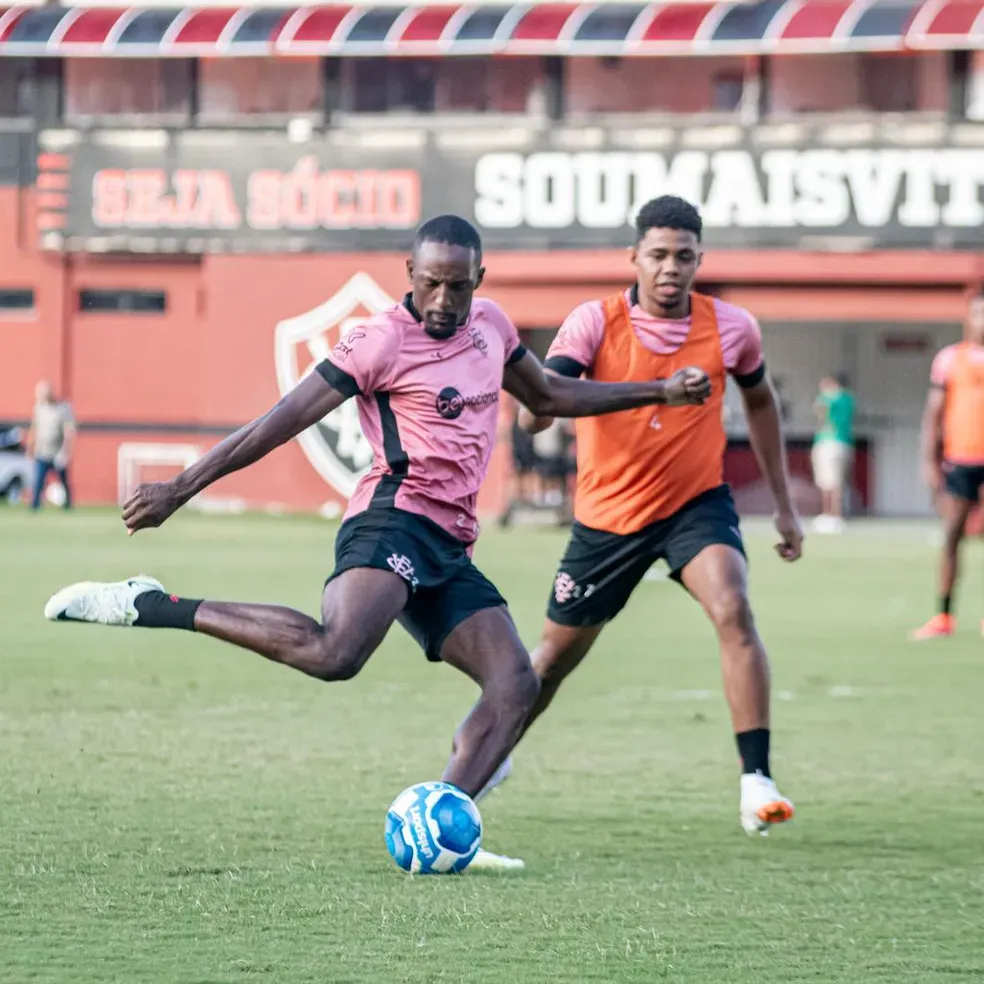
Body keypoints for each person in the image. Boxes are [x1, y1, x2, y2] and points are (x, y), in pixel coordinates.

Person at [43, 214, 712, 869]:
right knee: (336, 653)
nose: (445, 301)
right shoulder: (378, 341)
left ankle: (442, 824)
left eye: (459, 286)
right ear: (410, 276)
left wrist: (658, 391)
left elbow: (551, 394)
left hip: (450, 543)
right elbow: (279, 421)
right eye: (431, 284)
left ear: (480, 278)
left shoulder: (493, 328)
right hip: (393, 519)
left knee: (514, 685)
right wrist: (180, 489)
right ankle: (157, 604)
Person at [476, 196, 804, 836]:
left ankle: (755, 779)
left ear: (700, 259)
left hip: (695, 506)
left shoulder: (732, 328)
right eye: (658, 255)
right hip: (609, 518)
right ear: (634, 258)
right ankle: (492, 756)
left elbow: (761, 404)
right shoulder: (592, 324)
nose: (670, 268)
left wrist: (786, 508)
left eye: (684, 256)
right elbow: (545, 400)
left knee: (733, 607)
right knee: (551, 659)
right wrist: (537, 410)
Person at [910, 289, 984, 640]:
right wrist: (929, 460)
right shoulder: (950, 359)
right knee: (952, 535)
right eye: (978, 314)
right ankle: (944, 615)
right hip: (961, 459)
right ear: (967, 318)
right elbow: (933, 414)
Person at [811, 374, 855, 533]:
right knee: (834, 482)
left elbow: (819, 408)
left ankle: (831, 515)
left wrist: (825, 392)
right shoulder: (848, 399)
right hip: (843, 443)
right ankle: (833, 516)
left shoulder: (833, 398)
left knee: (829, 483)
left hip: (829, 443)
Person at [27, 380, 75, 511]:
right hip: (41, 451)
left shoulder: (62, 408)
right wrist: (30, 447)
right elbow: (34, 428)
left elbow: (68, 432)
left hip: (57, 452)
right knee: (38, 481)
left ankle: (68, 506)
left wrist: (65, 452)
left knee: (64, 481)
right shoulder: (38, 408)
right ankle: (34, 506)